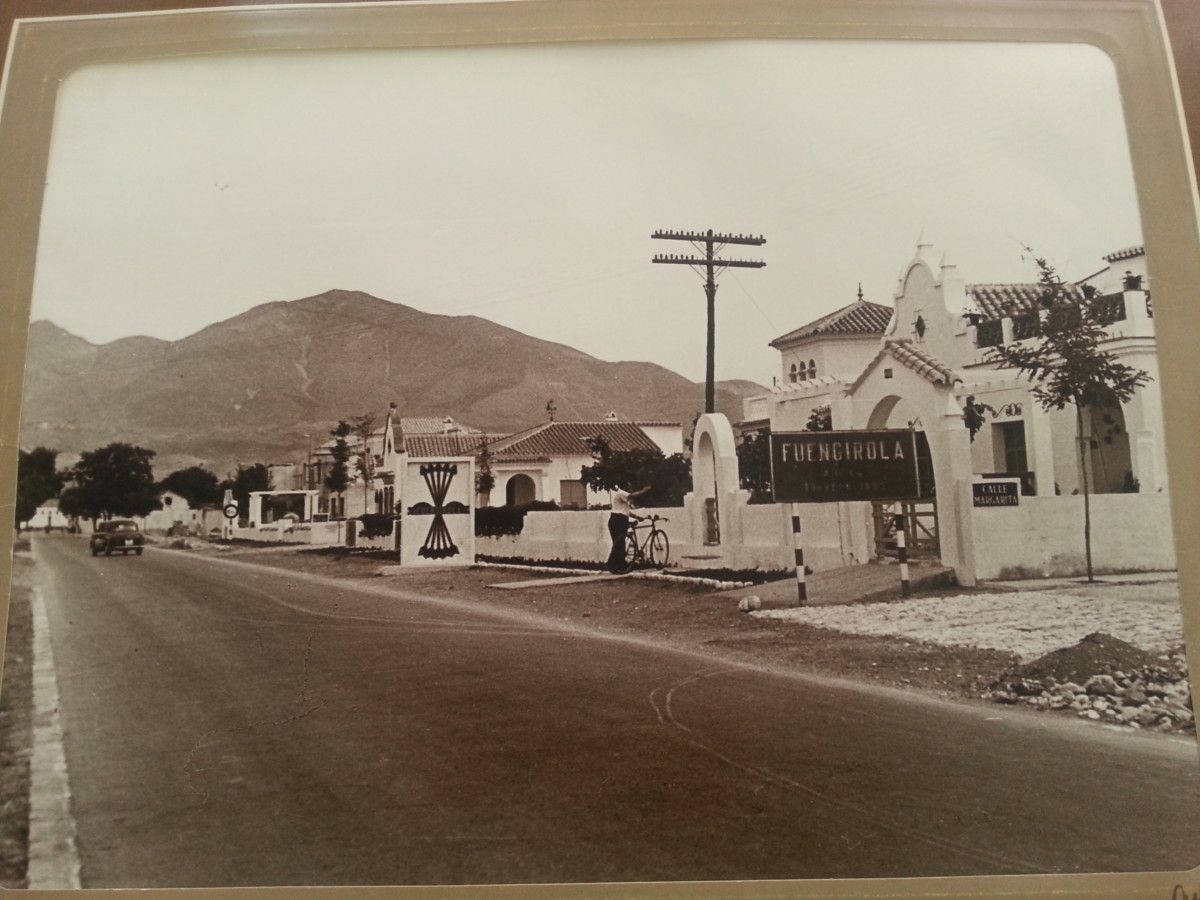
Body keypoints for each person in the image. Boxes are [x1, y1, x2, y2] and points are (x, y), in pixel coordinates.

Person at [606, 483, 651, 573]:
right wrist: (644, 490)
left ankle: (620, 564)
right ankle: (611, 563)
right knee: (619, 543)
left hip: (619, 519)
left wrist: (637, 517)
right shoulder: (621, 493)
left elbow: (626, 511)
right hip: (618, 520)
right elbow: (632, 495)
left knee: (620, 543)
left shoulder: (622, 497)